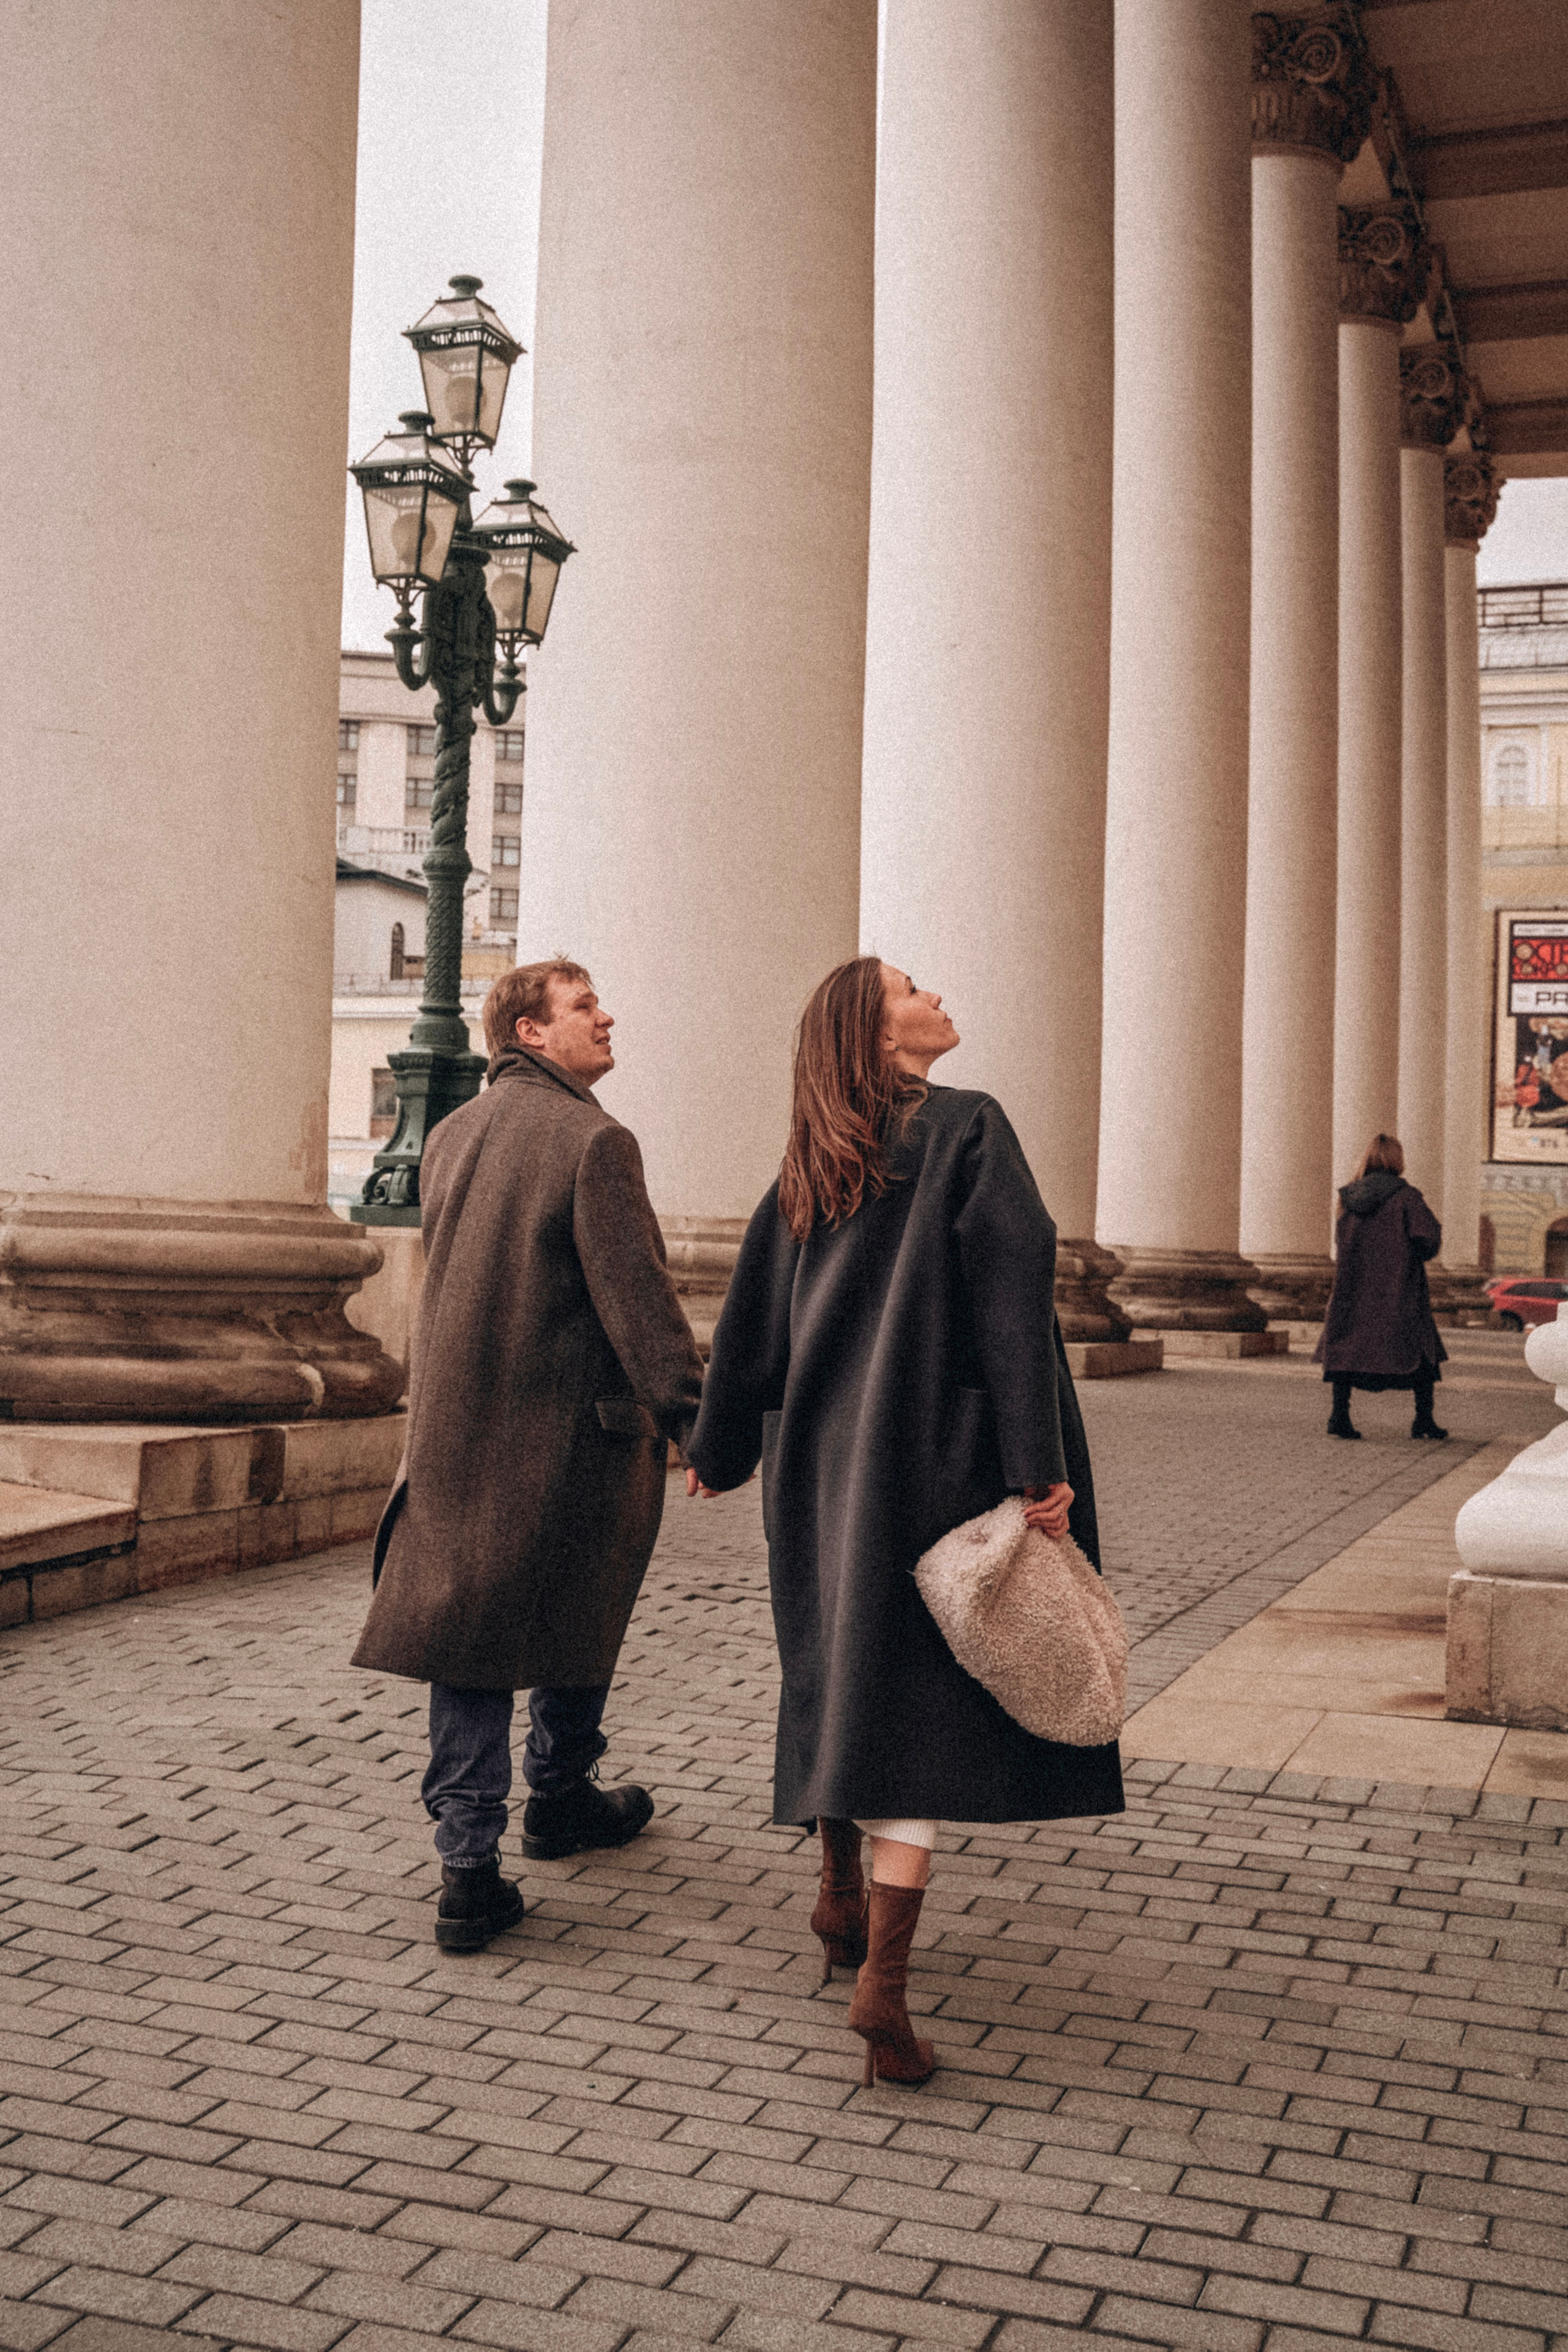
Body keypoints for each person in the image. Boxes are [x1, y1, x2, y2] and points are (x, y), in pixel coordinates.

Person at [684, 957, 1123, 2089]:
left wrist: (719, 1451)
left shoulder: (811, 1162)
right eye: (913, 988)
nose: (937, 994)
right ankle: (884, 1982)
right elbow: (1013, 1306)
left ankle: (837, 1899)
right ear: (880, 1037)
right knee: (918, 1714)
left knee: (839, 1667)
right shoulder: (971, 1131)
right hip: (937, 1461)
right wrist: (1040, 1469)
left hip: (822, 1468)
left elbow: (751, 1328)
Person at [352, 959, 704, 1951]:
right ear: (532, 1033)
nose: (607, 1015)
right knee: (575, 1608)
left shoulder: (453, 1135)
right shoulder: (596, 1140)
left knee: (466, 1650)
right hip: (570, 1442)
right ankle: (558, 1793)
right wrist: (699, 1422)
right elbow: (640, 1306)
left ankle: (468, 1867)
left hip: (458, 1440)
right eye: (586, 1006)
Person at [1315, 1133, 1447, 1441]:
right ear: (1396, 1160)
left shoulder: (1347, 1198)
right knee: (1420, 1352)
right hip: (1399, 1286)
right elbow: (1427, 1239)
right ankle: (1423, 1419)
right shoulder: (1406, 1197)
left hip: (1354, 1287)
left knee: (1348, 1348)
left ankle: (1339, 1416)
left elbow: (1341, 1242)